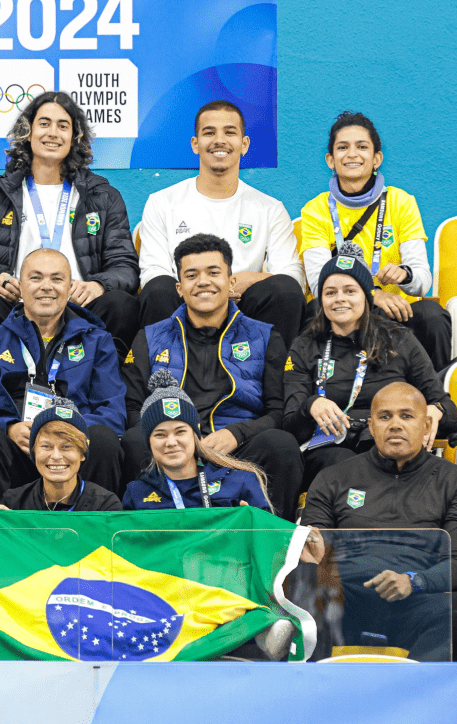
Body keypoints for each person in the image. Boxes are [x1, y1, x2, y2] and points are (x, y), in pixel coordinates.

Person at [121, 234, 302, 517]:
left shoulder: (265, 335)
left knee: (281, 444)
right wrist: (175, 436)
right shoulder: (150, 337)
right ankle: (149, 538)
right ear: (180, 288)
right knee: (134, 439)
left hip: (237, 447)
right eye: (191, 275)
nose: (203, 281)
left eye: (213, 272)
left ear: (231, 283)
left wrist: (236, 434)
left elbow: (278, 411)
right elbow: (132, 407)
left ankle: (276, 541)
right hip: (171, 444)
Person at [301, 382, 457, 661]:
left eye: (406, 416)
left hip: (415, 600)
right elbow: (316, 547)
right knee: (303, 585)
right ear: (372, 426)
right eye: (385, 417)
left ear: (426, 426)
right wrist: (310, 553)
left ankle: (418, 695)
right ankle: (317, 690)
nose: (395, 424)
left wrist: (415, 581)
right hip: (346, 599)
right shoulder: (333, 477)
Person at [0, 90, 139, 355]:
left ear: (75, 138)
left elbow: (124, 265)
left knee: (122, 305)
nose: (53, 133)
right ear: (28, 133)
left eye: (63, 126)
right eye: (44, 124)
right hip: (15, 305)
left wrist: (98, 285)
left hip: (78, 305)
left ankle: (100, 387)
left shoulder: (104, 196)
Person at [283, 242, 457, 488]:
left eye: (350, 291)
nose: (339, 299)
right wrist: (311, 405)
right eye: (330, 292)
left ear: (367, 296)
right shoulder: (305, 346)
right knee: (340, 461)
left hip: (384, 442)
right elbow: (290, 425)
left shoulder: (399, 339)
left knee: (389, 454)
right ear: (321, 299)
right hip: (329, 449)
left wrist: (435, 409)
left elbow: (444, 404)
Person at [0, 248, 126, 505]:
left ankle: (93, 529)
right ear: (20, 287)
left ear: (70, 287)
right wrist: (9, 428)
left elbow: (113, 411)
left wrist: (69, 432)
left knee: (103, 439)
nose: (46, 287)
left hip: (74, 451)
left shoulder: (97, 341)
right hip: (16, 448)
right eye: (36, 278)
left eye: (57, 279)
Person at [137, 100, 306, 344]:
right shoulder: (162, 202)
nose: (219, 140)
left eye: (229, 132)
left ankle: (271, 377)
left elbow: (292, 277)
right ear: (195, 144)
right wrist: (202, 287)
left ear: (244, 144)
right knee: (159, 290)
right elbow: (154, 273)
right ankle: (166, 377)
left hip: (244, 308)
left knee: (285, 291)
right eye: (209, 132)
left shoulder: (270, 208)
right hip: (184, 305)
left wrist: (239, 282)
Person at [298, 111, 451, 369]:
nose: (352, 154)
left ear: (376, 158)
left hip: (395, 310)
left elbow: (422, 281)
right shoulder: (316, 210)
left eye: (362, 147)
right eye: (342, 147)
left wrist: (405, 274)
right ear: (330, 160)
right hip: (345, 310)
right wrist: (371, 295)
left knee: (433, 316)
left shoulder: (401, 202)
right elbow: (317, 283)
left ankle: (435, 400)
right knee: (314, 311)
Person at [122, 370, 271, 511]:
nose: (171, 442)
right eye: (160, 435)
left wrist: (251, 526)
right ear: (149, 442)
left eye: (180, 432)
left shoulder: (241, 483)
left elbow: (270, 535)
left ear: (196, 436)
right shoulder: (136, 493)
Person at [0, 400, 120, 514]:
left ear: (82, 454)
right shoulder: (13, 502)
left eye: (66, 447)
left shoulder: (106, 506)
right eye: (46, 447)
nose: (55, 456)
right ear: (33, 452)